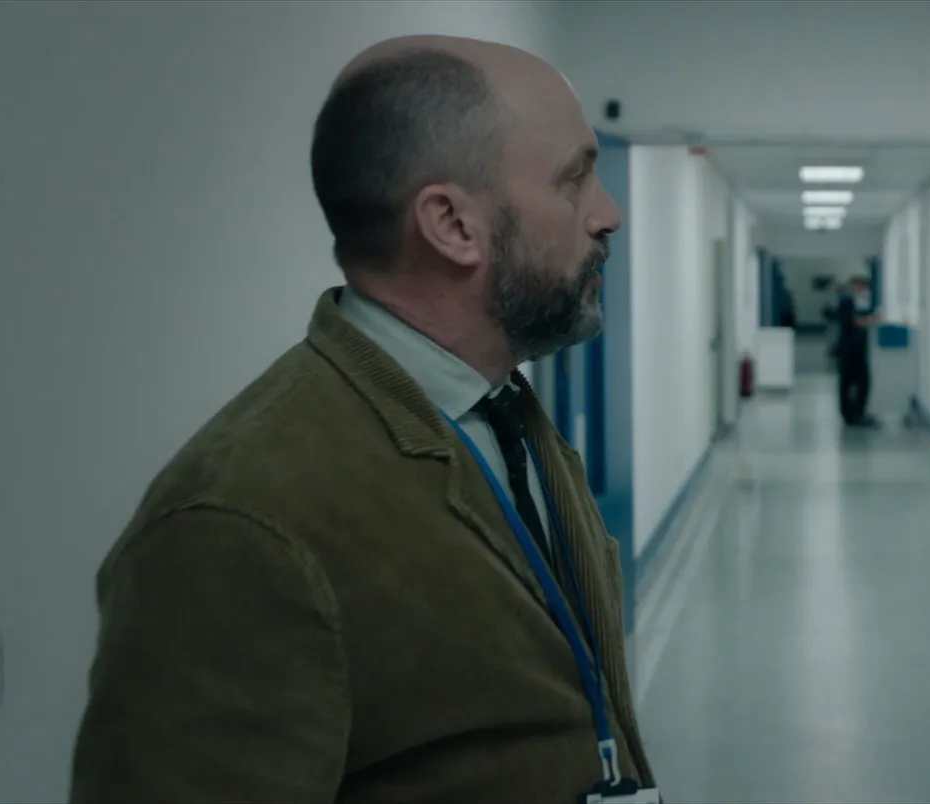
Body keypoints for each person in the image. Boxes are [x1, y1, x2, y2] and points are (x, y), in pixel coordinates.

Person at [70, 36, 659, 803]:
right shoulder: (239, 520)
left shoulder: (502, 412)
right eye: (575, 179)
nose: (608, 215)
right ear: (452, 224)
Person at [835, 274, 880, 426]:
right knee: (854, 381)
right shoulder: (846, 300)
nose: (863, 291)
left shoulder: (854, 301)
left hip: (854, 347)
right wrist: (872, 320)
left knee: (854, 381)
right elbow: (853, 321)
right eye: (862, 288)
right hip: (850, 349)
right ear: (855, 286)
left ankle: (854, 412)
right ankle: (853, 414)